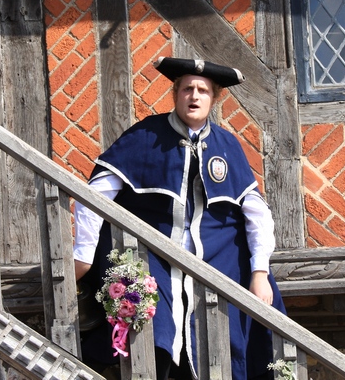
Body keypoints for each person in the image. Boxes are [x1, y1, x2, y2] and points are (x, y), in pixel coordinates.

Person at [74, 57, 284, 380]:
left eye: (203, 90)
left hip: (215, 263)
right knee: (154, 332)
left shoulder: (227, 144)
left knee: (233, 334)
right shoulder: (146, 136)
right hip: (156, 261)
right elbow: (96, 194)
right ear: (176, 94)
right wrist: (84, 256)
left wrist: (259, 271)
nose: (194, 96)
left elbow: (257, 215)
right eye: (187, 88)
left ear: (215, 98)